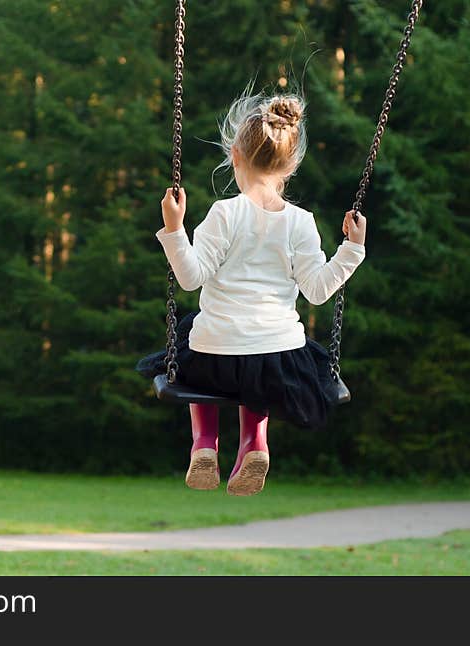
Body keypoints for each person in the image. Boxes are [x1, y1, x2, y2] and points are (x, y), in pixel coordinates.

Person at [142, 87, 367, 496]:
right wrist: (352, 249)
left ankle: (204, 443)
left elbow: (190, 278)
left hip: (215, 358)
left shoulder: (223, 214)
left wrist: (174, 228)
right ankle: (255, 443)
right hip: (277, 361)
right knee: (260, 363)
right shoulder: (301, 222)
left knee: (193, 335)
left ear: (236, 157)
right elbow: (318, 291)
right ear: (291, 165)